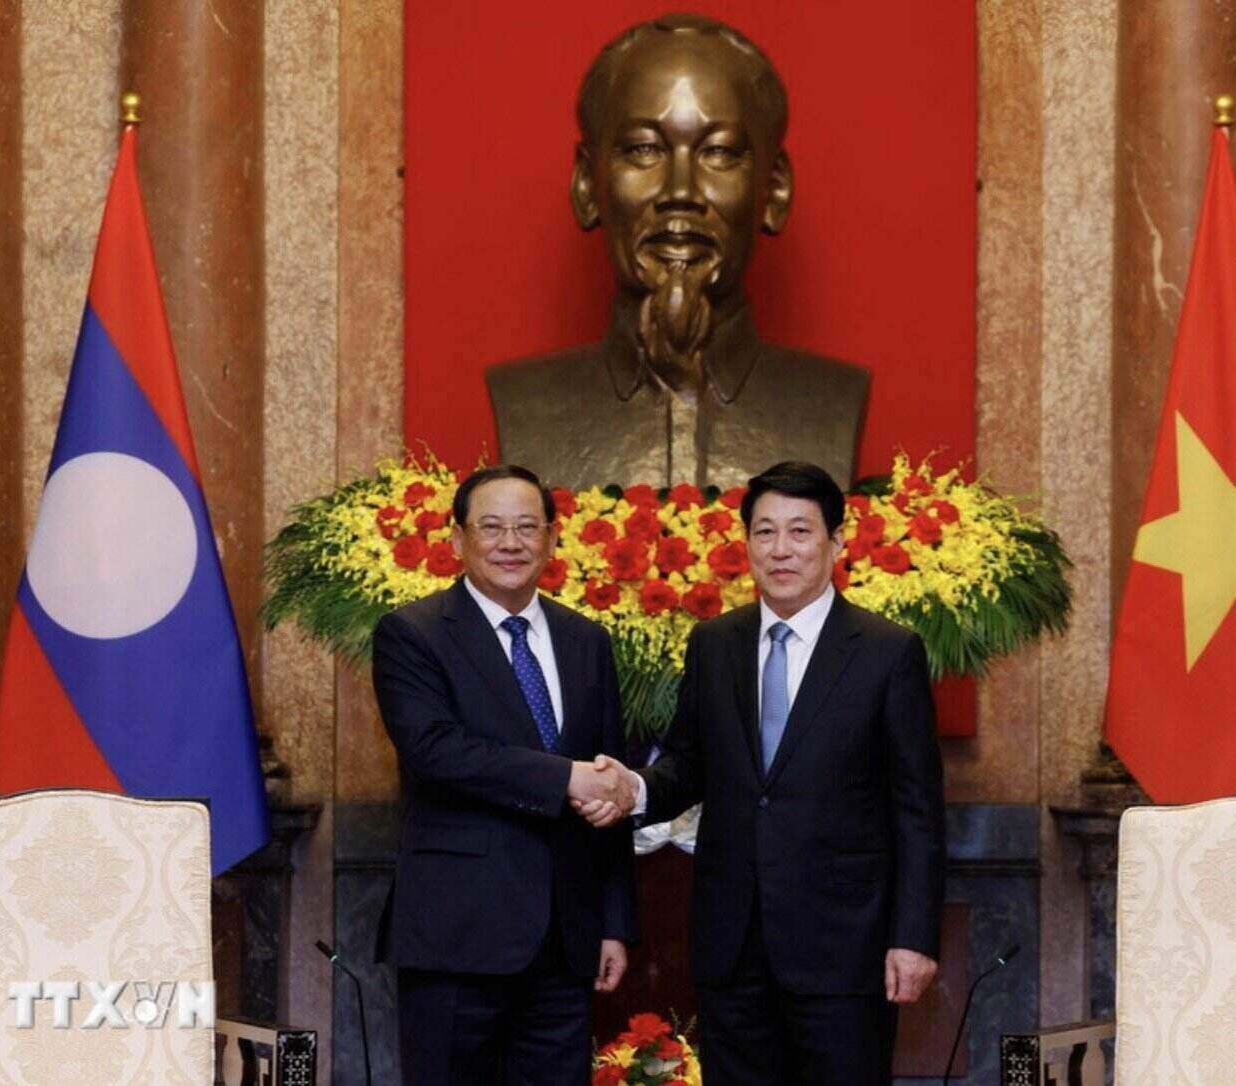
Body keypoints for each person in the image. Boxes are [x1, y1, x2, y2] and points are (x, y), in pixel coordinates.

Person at [578, 460, 945, 1085]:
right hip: (733, 945)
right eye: (765, 532)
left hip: (843, 950)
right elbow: (690, 764)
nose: (781, 550)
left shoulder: (888, 652)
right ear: (746, 543)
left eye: (800, 532)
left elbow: (918, 808)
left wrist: (913, 937)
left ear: (836, 542)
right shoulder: (715, 643)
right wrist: (633, 788)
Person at [487, 13, 869, 490]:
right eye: (644, 150)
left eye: (720, 152)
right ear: (587, 185)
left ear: (774, 191)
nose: (680, 191)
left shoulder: (832, 401)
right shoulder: (526, 402)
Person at [372, 464, 638, 1086]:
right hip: (457, 936)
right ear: (458, 540)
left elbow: (608, 778)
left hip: (566, 943)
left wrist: (614, 923)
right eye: (491, 528)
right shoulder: (413, 635)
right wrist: (565, 779)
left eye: (526, 527)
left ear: (551, 539)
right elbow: (436, 750)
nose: (510, 543)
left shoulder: (586, 640)